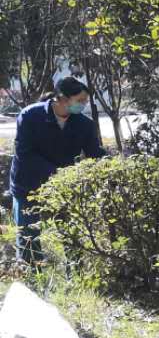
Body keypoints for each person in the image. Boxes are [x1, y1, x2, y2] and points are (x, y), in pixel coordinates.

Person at [7, 76, 106, 264]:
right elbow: (25, 154)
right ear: (61, 98)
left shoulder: (84, 124)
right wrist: (58, 173)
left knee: (71, 236)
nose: (83, 105)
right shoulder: (30, 116)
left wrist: (110, 165)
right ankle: (32, 276)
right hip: (28, 184)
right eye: (80, 101)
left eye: (85, 101)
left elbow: (94, 153)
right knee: (28, 236)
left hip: (63, 187)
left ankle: (75, 276)